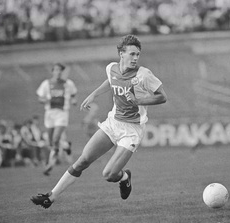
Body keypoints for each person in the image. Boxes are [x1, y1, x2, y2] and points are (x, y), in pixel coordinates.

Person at [31, 34, 167, 209]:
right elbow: (110, 81)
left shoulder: (143, 74)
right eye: (132, 54)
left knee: (109, 174)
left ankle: (124, 177)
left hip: (132, 130)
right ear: (121, 54)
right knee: (82, 161)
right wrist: (94, 94)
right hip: (112, 123)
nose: (135, 58)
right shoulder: (111, 68)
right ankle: (50, 197)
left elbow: (162, 97)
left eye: (137, 54)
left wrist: (138, 101)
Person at [36, 63, 78, 176]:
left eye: (60, 70)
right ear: (53, 71)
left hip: (62, 114)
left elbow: (74, 95)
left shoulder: (68, 84)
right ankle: (65, 146)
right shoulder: (46, 84)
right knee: (51, 142)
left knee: (55, 138)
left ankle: (50, 164)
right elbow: (40, 97)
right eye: (56, 70)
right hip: (50, 114)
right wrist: (44, 100)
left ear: (63, 72)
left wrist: (74, 101)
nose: (58, 72)